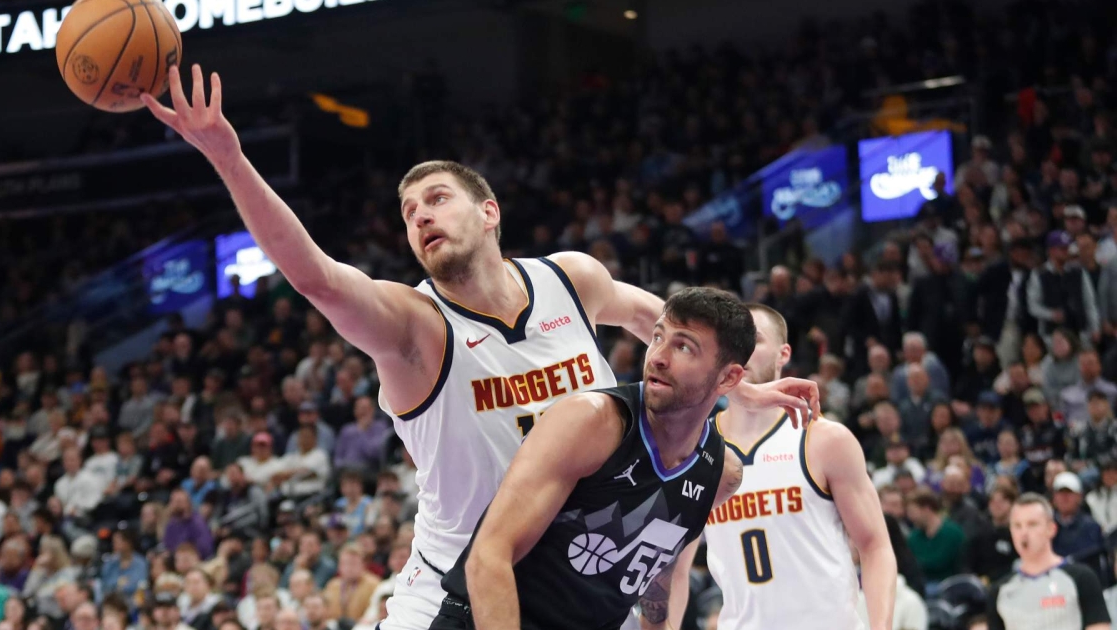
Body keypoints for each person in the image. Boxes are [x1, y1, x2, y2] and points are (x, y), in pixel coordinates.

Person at [141, 65, 817, 630]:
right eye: (409, 214)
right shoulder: (413, 326)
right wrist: (228, 156)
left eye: (436, 199)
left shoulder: (569, 279)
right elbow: (315, 277)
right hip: (453, 590)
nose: (421, 216)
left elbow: (659, 319)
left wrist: (738, 387)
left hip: (563, 589)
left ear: (489, 212)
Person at [429, 288, 777, 630]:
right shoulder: (592, 421)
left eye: (683, 346)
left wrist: (657, 625)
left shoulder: (719, 473)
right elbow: (489, 555)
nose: (657, 356)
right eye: (658, 337)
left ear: (729, 377)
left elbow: (660, 558)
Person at [696, 304, 896, 630]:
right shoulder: (695, 447)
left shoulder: (824, 439)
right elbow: (674, 565)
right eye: (731, 340)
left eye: (754, 339)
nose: (741, 350)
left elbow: (874, 546)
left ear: (783, 354)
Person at [986, 493, 1111, 629]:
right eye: (1017, 526)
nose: (1024, 533)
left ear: (1051, 529)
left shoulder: (1081, 578)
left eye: (1032, 524)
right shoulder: (1000, 591)